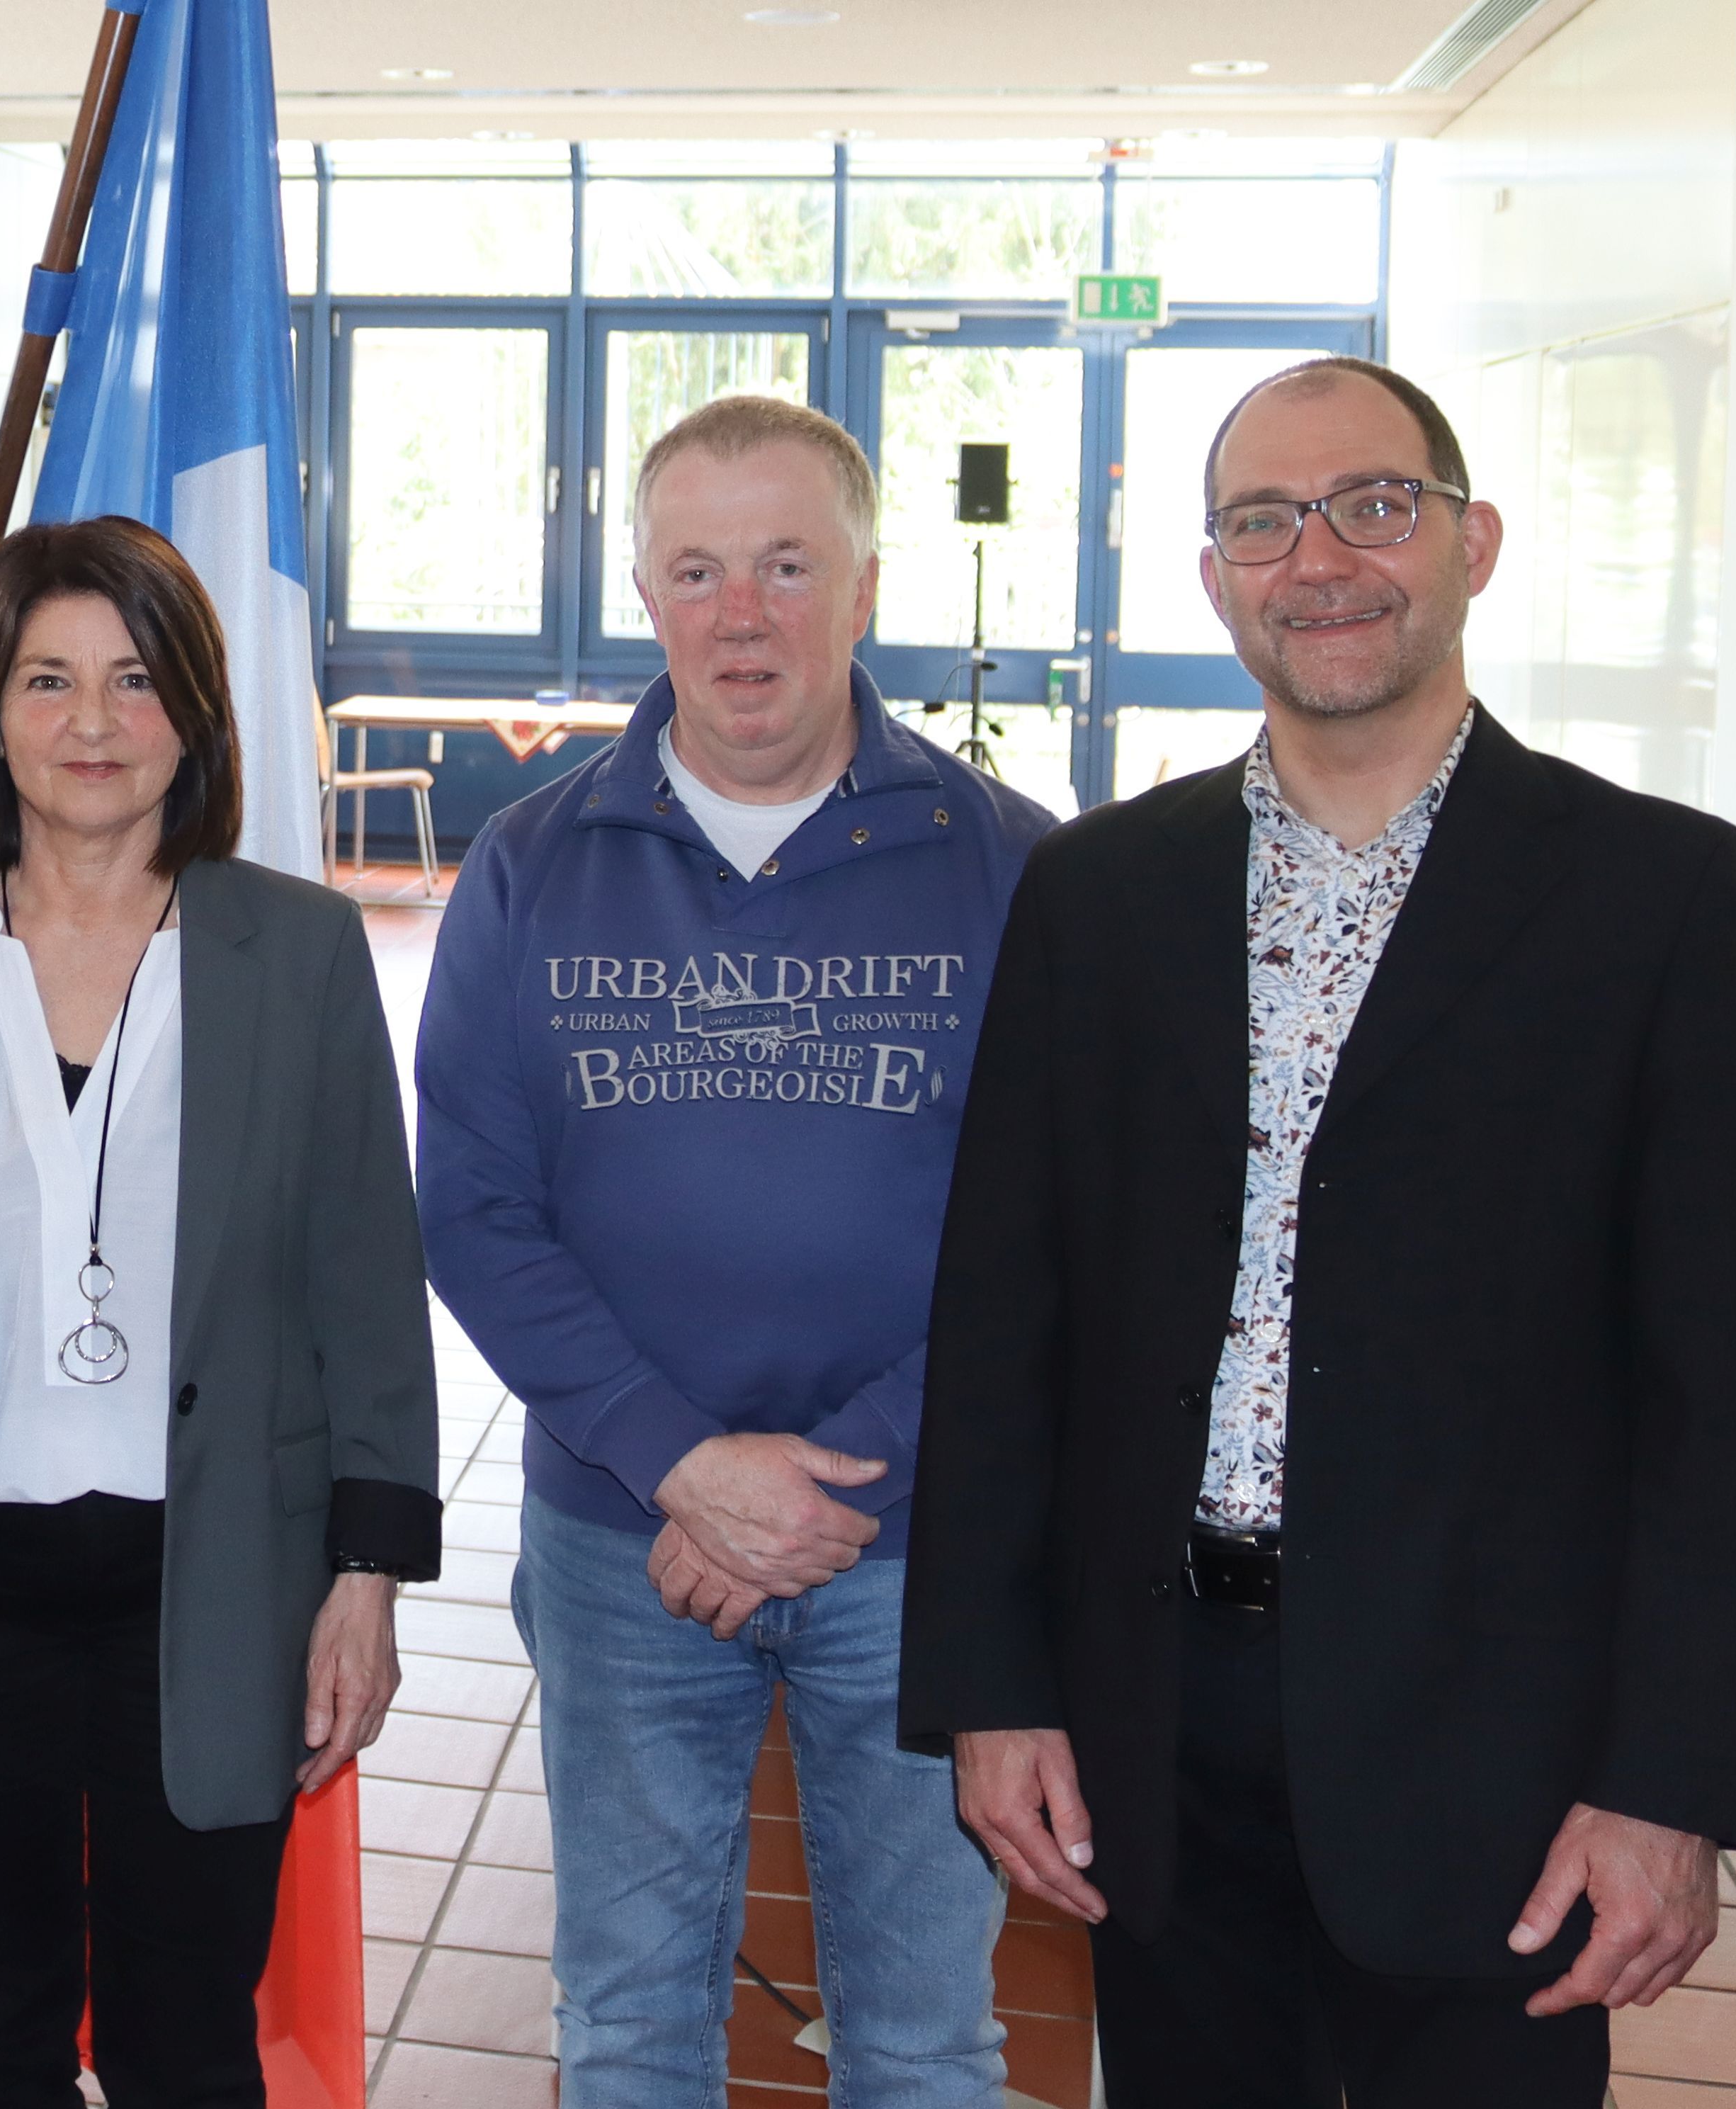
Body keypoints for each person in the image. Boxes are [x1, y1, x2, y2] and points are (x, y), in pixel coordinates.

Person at [901, 356, 1736, 2108]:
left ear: (1473, 543)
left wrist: (1669, 1786)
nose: (1318, 558)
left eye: (1373, 506)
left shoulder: (1657, 898)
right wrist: (992, 1690)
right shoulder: (1096, 892)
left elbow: (1726, 1399)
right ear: (1213, 577)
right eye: (1264, 520)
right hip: (1156, 1728)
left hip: (1501, 1756)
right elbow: (1007, 1319)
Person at [0, 516, 438, 2109]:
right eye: (47, 679)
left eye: (136, 680)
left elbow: (365, 1284)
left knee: (185, 2047)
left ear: (194, 712)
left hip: (218, 1575)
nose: (92, 723)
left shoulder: (299, 954)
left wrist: (366, 1579)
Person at [414, 395, 1050, 2105]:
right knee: (626, 2027)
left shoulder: (1011, 867)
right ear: (644, 593)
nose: (741, 614)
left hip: (918, 1546)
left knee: (924, 2039)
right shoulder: (530, 865)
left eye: (786, 564)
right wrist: (681, 1462)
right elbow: (470, 1205)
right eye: (696, 570)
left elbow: (1060, 1234)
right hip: (621, 1540)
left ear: (864, 587)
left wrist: (846, 1476)